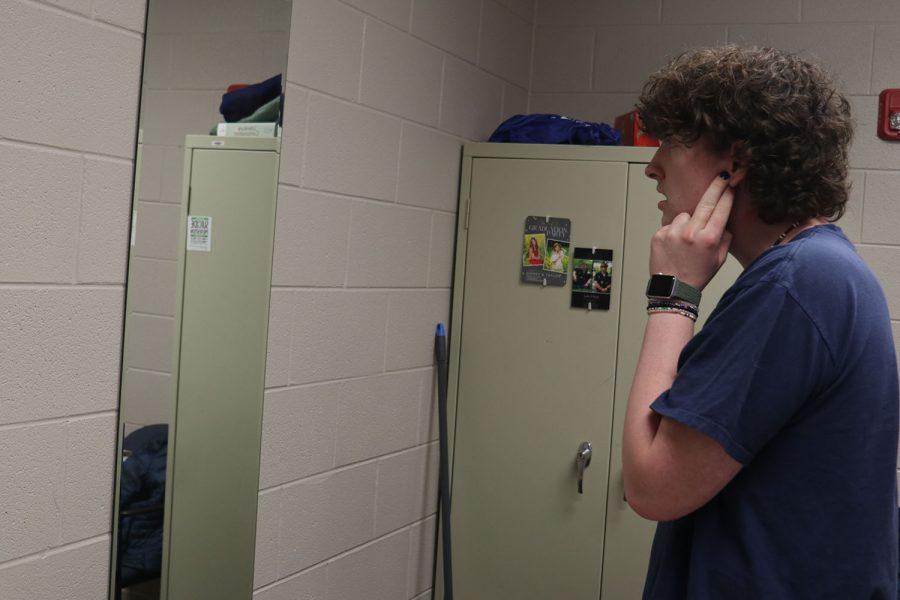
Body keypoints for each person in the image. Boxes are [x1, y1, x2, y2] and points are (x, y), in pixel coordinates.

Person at [622, 45, 899, 599]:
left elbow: (652, 486)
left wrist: (673, 294)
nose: (652, 166)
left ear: (738, 162)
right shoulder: (818, 272)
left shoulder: (794, 285)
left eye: (673, 144)